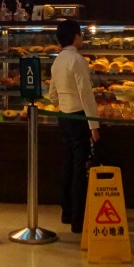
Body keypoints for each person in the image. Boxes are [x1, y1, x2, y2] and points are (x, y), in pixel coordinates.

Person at [51, 18, 100, 232]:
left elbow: (52, 95)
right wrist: (94, 126)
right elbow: (86, 95)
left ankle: (67, 212)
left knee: (68, 164)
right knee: (80, 168)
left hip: (64, 117)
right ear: (75, 37)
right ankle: (78, 221)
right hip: (79, 118)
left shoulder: (58, 61)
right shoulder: (78, 60)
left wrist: (64, 100)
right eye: (80, 34)